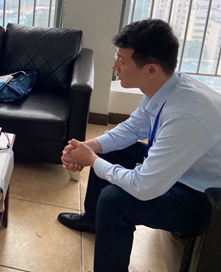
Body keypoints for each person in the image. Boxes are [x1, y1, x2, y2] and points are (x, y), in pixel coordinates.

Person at [57, 19, 221, 271]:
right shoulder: (166, 88)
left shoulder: (186, 115)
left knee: (114, 200)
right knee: (111, 150)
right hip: (184, 171)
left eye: (122, 60)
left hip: (204, 199)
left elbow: (143, 187)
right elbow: (132, 128)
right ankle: (93, 220)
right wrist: (89, 147)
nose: (114, 66)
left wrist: (92, 160)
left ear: (151, 69)